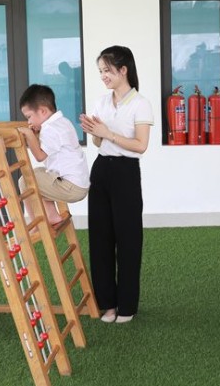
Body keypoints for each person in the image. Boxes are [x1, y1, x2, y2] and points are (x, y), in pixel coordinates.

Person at [79, 46, 153, 324]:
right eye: (100, 71)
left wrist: (106, 132)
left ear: (123, 70)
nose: (103, 76)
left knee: (128, 239)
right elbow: (99, 143)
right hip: (101, 170)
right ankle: (107, 304)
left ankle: (127, 306)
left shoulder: (140, 103)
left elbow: (141, 146)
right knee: (99, 239)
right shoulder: (101, 102)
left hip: (125, 173)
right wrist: (93, 132)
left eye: (107, 70)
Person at [17, 84, 90, 226]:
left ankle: (35, 224)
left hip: (70, 187)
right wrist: (36, 135)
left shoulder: (50, 129)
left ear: (43, 111)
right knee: (38, 173)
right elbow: (49, 150)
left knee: (25, 180)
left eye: (29, 116)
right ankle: (52, 215)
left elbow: (40, 156)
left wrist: (29, 135)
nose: (29, 122)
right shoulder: (62, 122)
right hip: (78, 184)